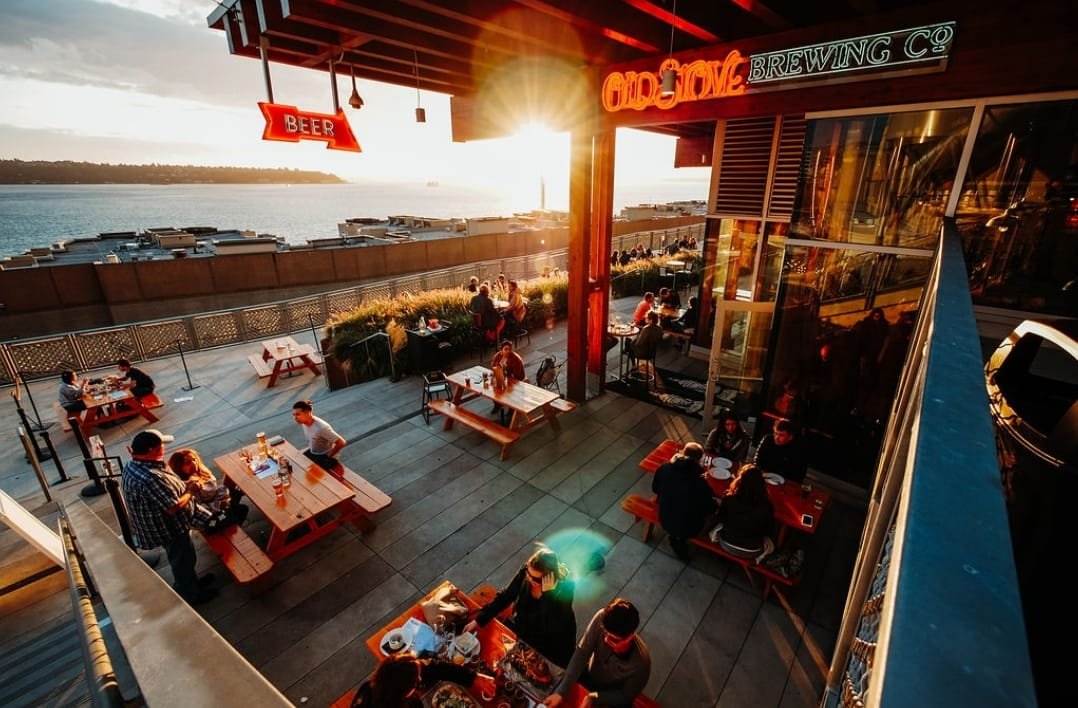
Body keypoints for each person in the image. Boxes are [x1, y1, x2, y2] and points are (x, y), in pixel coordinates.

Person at [121, 429, 218, 605]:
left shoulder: (132, 464)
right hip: (168, 527)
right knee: (183, 559)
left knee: (182, 558)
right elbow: (172, 508)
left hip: (155, 523)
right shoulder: (150, 477)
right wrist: (190, 490)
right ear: (150, 450)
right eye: (161, 445)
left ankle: (191, 583)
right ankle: (190, 594)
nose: (164, 448)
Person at [463, 546, 577, 667]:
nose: (530, 580)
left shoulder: (565, 590)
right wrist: (478, 620)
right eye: (529, 575)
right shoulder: (527, 572)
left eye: (536, 580)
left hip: (550, 643)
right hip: (525, 630)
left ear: (550, 578)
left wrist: (548, 594)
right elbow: (506, 596)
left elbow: (552, 625)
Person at [544, 598, 651, 708]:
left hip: (613, 697)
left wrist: (595, 697)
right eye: (605, 633)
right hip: (590, 676)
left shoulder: (641, 664)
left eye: (613, 639)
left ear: (630, 637)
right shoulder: (601, 617)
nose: (605, 640)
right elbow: (582, 652)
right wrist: (560, 692)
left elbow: (625, 696)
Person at [349, 652, 493, 708]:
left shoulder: (373, 686)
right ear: (405, 692)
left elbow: (431, 667)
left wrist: (474, 677)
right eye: (417, 681)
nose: (420, 679)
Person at [652, 442, 718, 561]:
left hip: (665, 518)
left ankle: (674, 538)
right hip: (691, 527)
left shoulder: (664, 469)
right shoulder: (699, 482)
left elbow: (655, 489)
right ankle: (680, 542)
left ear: (682, 453)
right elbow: (711, 508)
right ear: (699, 460)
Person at [167, 448, 248, 525]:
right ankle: (231, 529)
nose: (194, 463)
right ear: (179, 468)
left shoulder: (200, 473)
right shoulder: (190, 485)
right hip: (213, 518)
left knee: (233, 479)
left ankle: (232, 520)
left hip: (220, 500)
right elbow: (201, 509)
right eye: (188, 463)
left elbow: (215, 491)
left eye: (194, 459)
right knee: (241, 509)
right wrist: (222, 504)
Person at [712, 463, 774, 558]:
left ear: (740, 481)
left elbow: (720, 518)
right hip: (753, 550)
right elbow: (768, 531)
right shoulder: (767, 507)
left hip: (726, 542)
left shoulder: (729, 499)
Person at [292, 399, 346, 474]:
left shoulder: (321, 428)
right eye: (293, 415)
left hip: (325, 456)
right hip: (314, 452)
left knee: (311, 476)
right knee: (295, 464)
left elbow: (341, 442)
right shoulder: (304, 422)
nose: (295, 418)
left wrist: (328, 456)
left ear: (308, 412)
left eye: (298, 414)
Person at [753, 417, 807, 483]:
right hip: (765, 477)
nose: (776, 438)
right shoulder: (768, 439)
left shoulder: (797, 449)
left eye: (781, 435)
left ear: (790, 437)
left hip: (784, 482)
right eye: (775, 433)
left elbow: (799, 475)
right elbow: (757, 459)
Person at [490, 339, 527, 417]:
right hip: (502, 377)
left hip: (516, 380)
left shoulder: (515, 359)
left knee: (511, 392)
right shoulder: (498, 356)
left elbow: (517, 375)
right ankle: (497, 404)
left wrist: (506, 375)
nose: (508, 351)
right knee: (494, 387)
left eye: (509, 349)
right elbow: (493, 366)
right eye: (505, 349)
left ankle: (512, 410)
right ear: (501, 350)